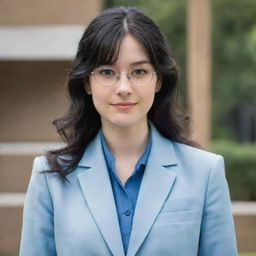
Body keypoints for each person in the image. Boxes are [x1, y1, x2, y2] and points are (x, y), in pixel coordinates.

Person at [19, 6, 238, 256]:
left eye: (139, 71)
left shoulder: (205, 173)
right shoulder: (50, 178)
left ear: (159, 80)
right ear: (87, 83)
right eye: (107, 72)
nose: (123, 87)